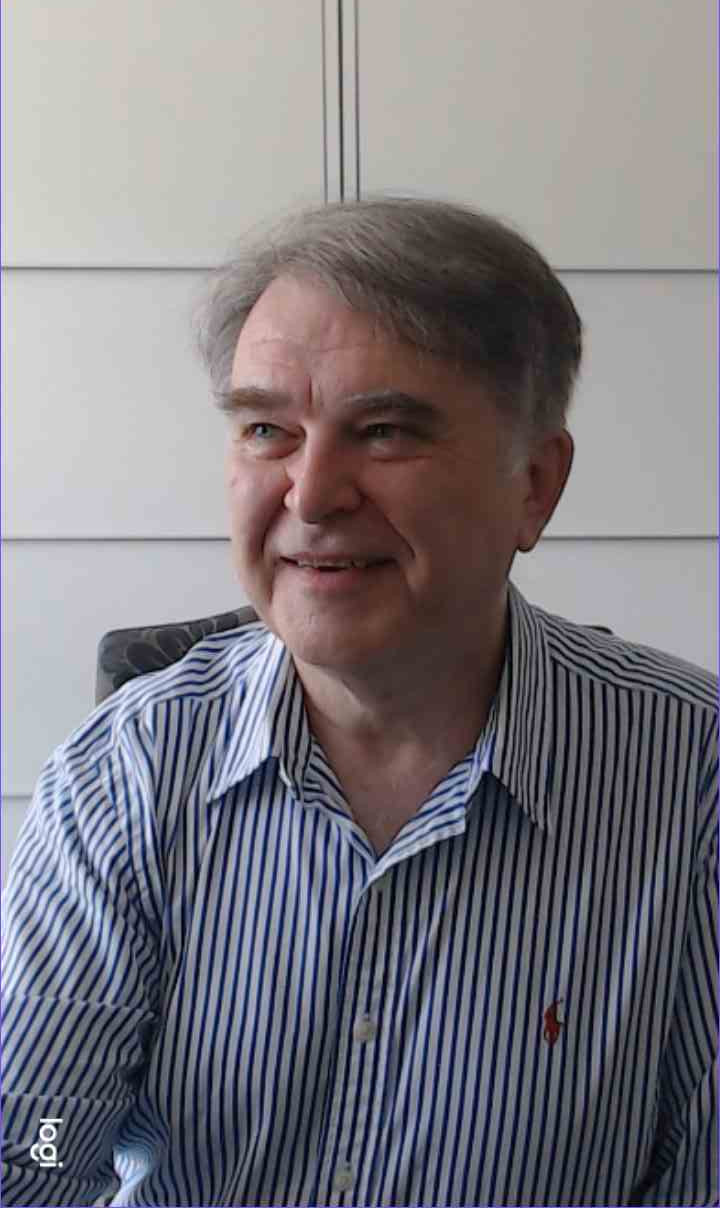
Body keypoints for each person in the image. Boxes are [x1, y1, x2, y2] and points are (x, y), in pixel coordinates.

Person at [2, 199, 716, 1208]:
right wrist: (39, 1155)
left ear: (534, 485)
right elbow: (34, 1144)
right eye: (267, 430)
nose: (310, 494)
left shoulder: (694, 775)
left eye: (383, 432)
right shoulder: (124, 770)